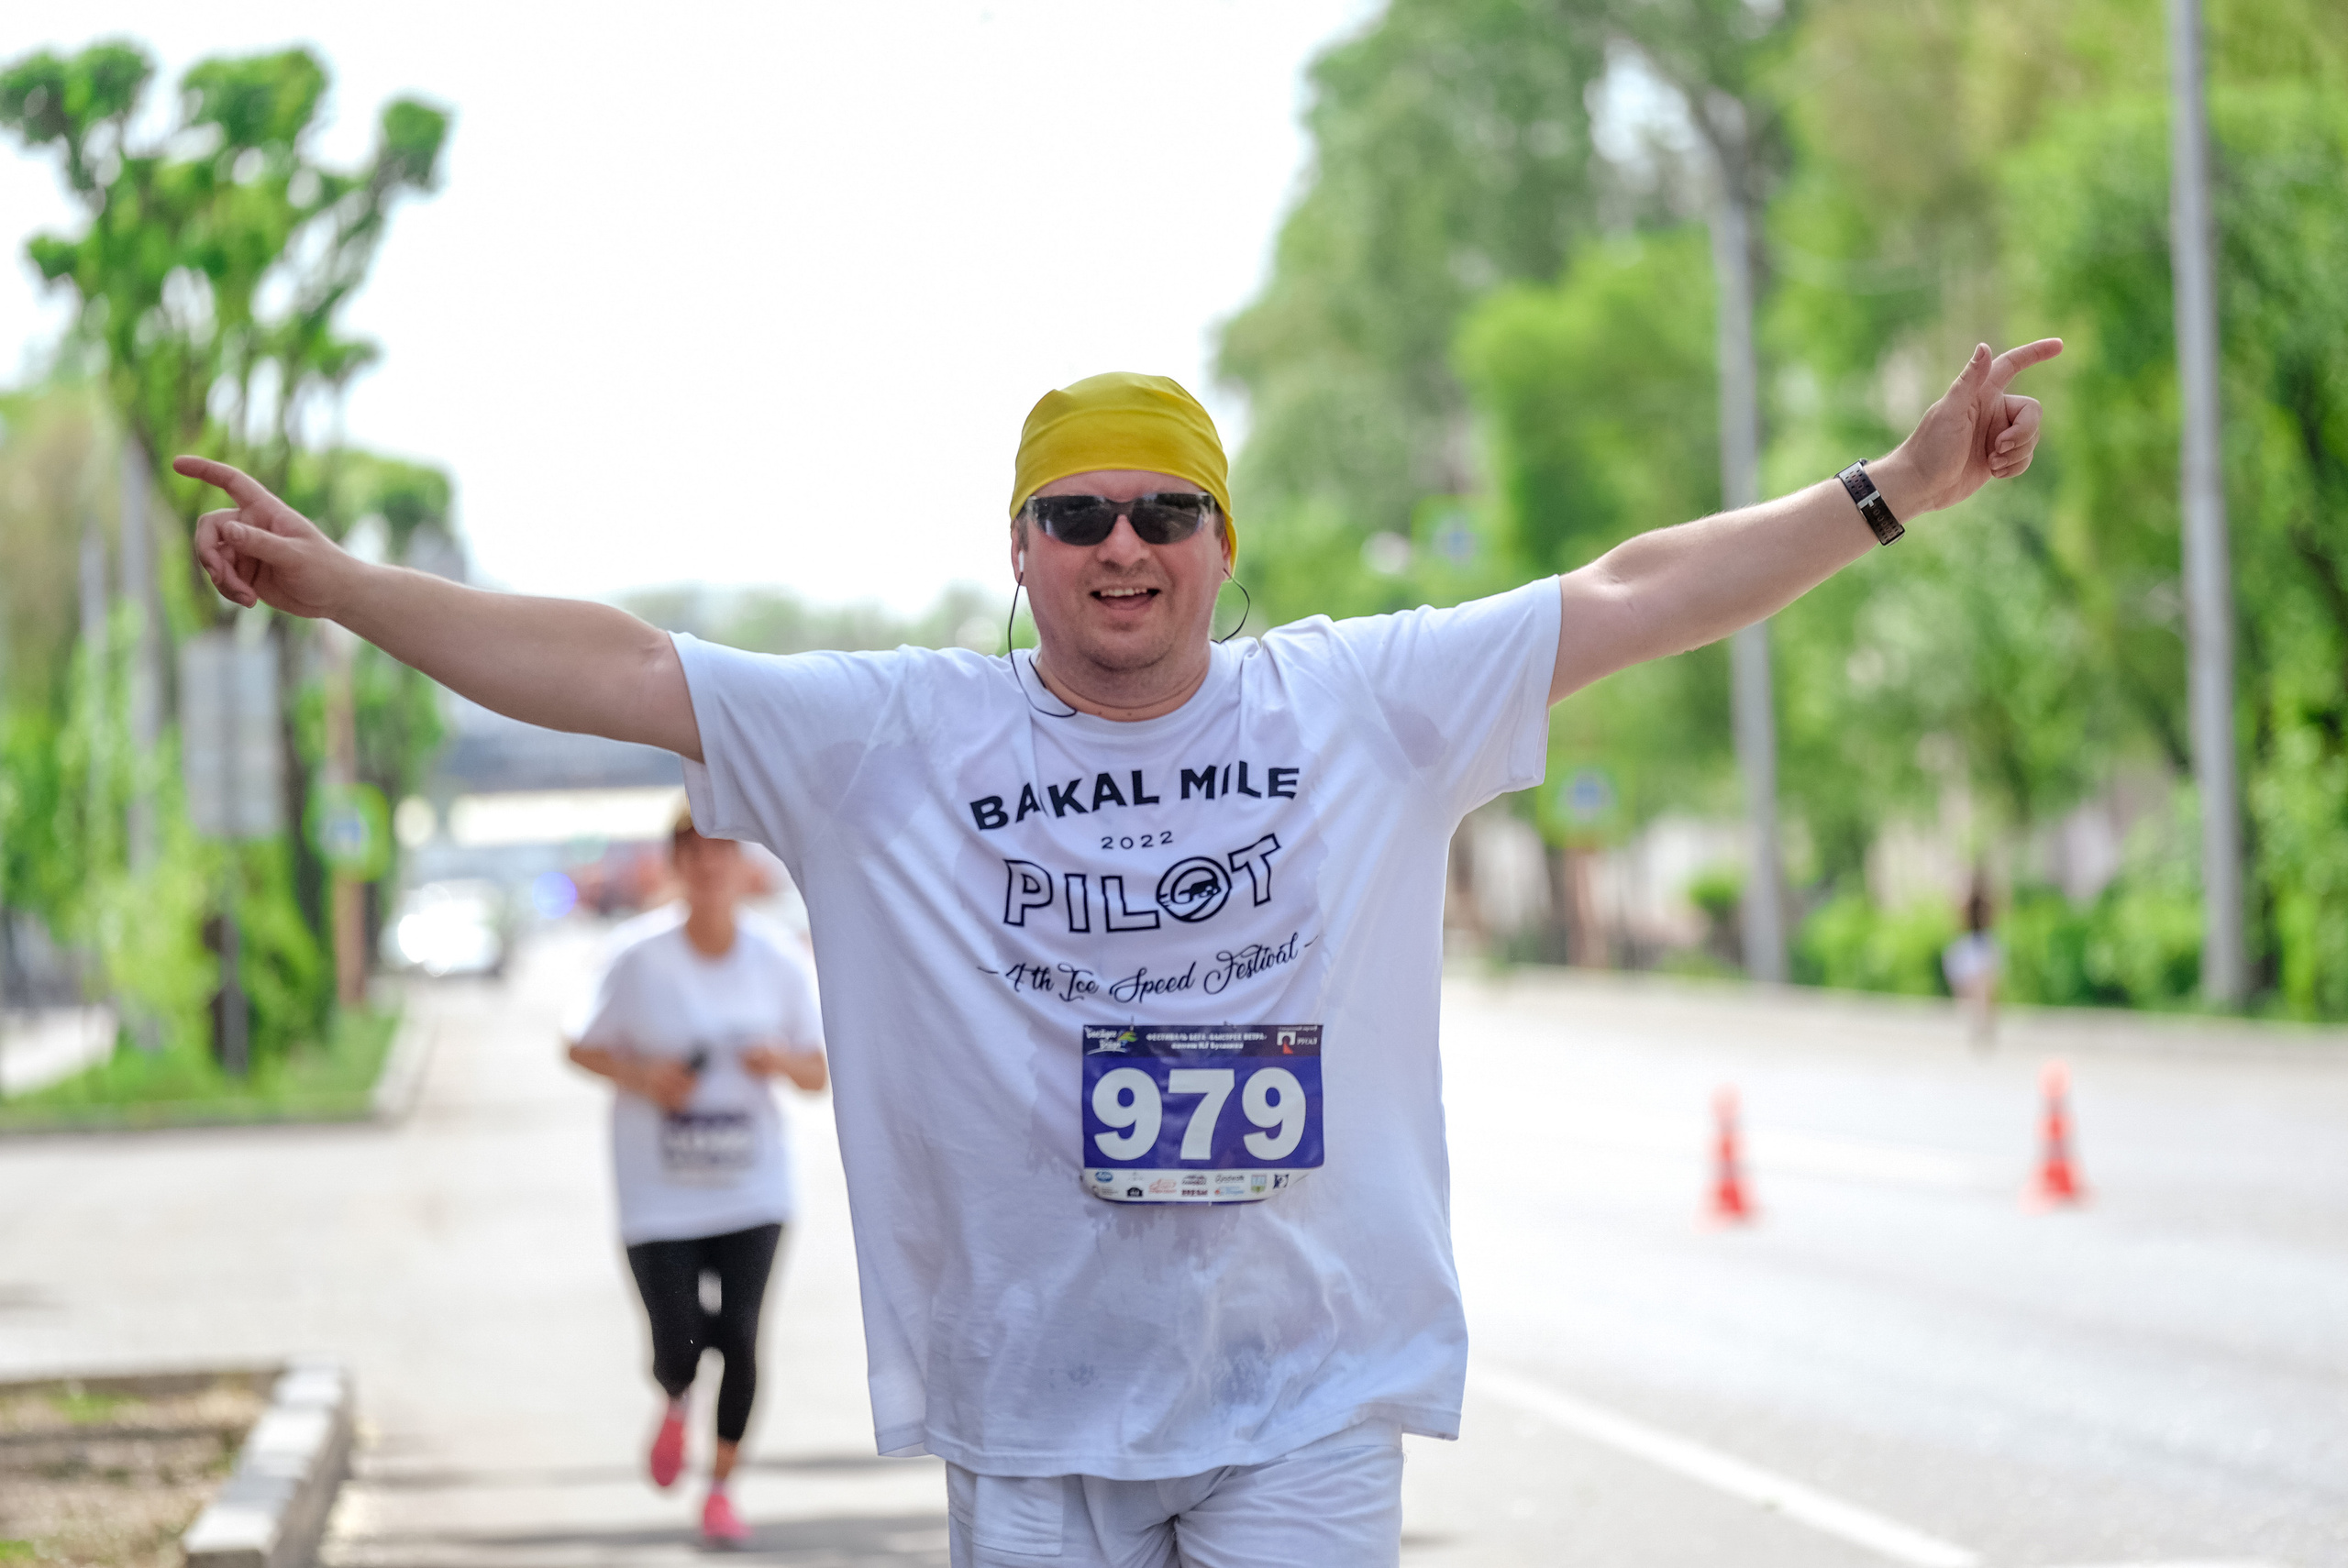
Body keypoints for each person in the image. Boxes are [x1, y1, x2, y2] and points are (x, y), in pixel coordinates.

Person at [178, 339, 2058, 1566]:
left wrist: (1890, 489)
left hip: (1301, 1391)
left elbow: (1628, 591)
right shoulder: (895, 737)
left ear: (1221, 542)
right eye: (1074, 516)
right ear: (1020, 553)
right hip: (1030, 1408)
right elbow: (613, 668)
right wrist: (339, 584)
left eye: (1164, 510)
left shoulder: (1360, 703)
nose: (1121, 546)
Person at [565, 810, 828, 1546]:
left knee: (741, 1338)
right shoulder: (636, 957)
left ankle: (720, 1488)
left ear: (745, 869)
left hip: (754, 1185)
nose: (711, 869)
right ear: (676, 865)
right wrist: (646, 1076)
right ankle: (675, 1398)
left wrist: (776, 1059)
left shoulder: (778, 958)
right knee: (678, 1335)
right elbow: (576, 1044)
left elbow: (818, 1073)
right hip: (660, 1190)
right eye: (696, 855)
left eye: (723, 854)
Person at [1943, 882, 2003, 1051]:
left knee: (1983, 981)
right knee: (1977, 982)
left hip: (1979, 944)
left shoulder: (1986, 943)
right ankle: (1977, 1017)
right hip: (1970, 944)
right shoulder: (1964, 945)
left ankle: (1982, 1019)